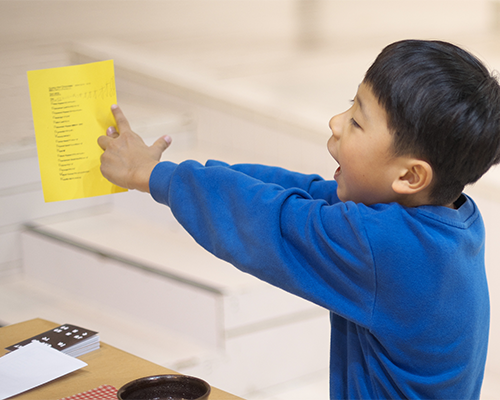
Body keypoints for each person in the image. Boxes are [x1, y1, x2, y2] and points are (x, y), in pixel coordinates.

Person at [98, 40, 500, 399]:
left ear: (410, 176)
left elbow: (269, 218)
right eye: (349, 105)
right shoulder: (450, 217)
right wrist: (178, 170)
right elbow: (301, 191)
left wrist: (148, 176)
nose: (336, 123)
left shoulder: (383, 247)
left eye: (357, 122)